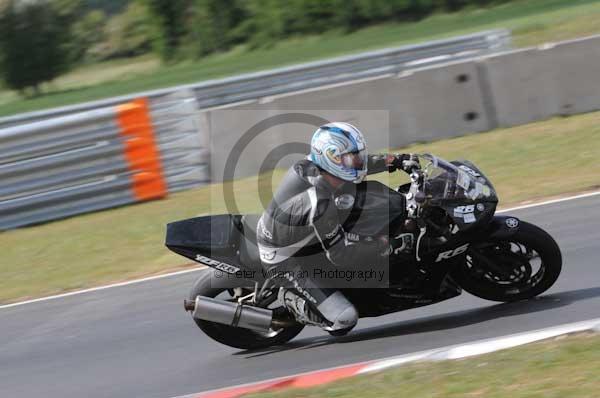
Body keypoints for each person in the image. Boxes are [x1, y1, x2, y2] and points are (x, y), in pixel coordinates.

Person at [256, 122, 417, 334]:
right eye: (352, 158)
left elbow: (358, 166)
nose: (358, 162)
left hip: (301, 232)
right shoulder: (321, 202)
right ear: (332, 159)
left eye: (357, 156)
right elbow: (340, 255)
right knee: (344, 320)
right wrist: (387, 244)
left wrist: (394, 160)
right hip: (287, 258)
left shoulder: (317, 166)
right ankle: (291, 300)